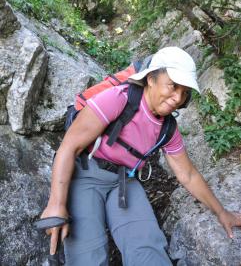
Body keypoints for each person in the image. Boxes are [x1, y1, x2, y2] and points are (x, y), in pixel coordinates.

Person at [41, 46, 241, 266]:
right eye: (173, 86)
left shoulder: (168, 129)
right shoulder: (118, 99)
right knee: (87, 257)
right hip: (87, 173)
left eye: (184, 93)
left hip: (124, 182)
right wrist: (57, 204)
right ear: (151, 79)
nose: (177, 98)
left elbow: (188, 175)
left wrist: (221, 212)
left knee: (148, 251)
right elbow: (69, 147)